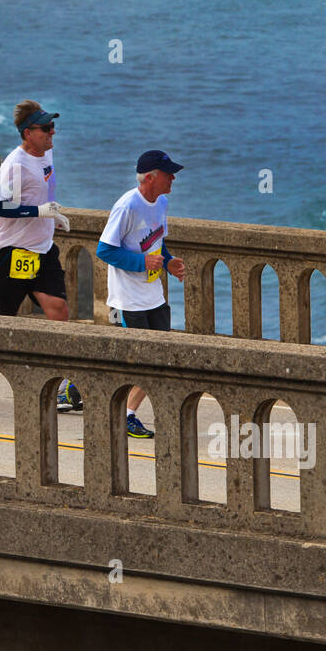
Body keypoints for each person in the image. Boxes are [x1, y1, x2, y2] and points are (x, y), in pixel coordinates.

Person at [0, 101, 78, 412]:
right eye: (46, 128)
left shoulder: (46, 153)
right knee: (2, 316)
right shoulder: (16, 165)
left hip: (42, 248)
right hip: (13, 251)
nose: (53, 132)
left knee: (59, 309)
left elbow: (45, 186)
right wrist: (37, 211)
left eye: (53, 126)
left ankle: (62, 379)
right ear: (28, 134)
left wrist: (53, 212)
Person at [97, 150, 186, 438]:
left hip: (154, 295)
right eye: (168, 173)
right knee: (138, 362)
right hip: (128, 299)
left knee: (159, 359)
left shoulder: (162, 202)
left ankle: (126, 413)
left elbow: (156, 241)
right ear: (151, 177)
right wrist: (140, 263)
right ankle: (124, 414)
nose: (173, 177)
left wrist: (169, 262)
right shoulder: (127, 207)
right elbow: (105, 250)